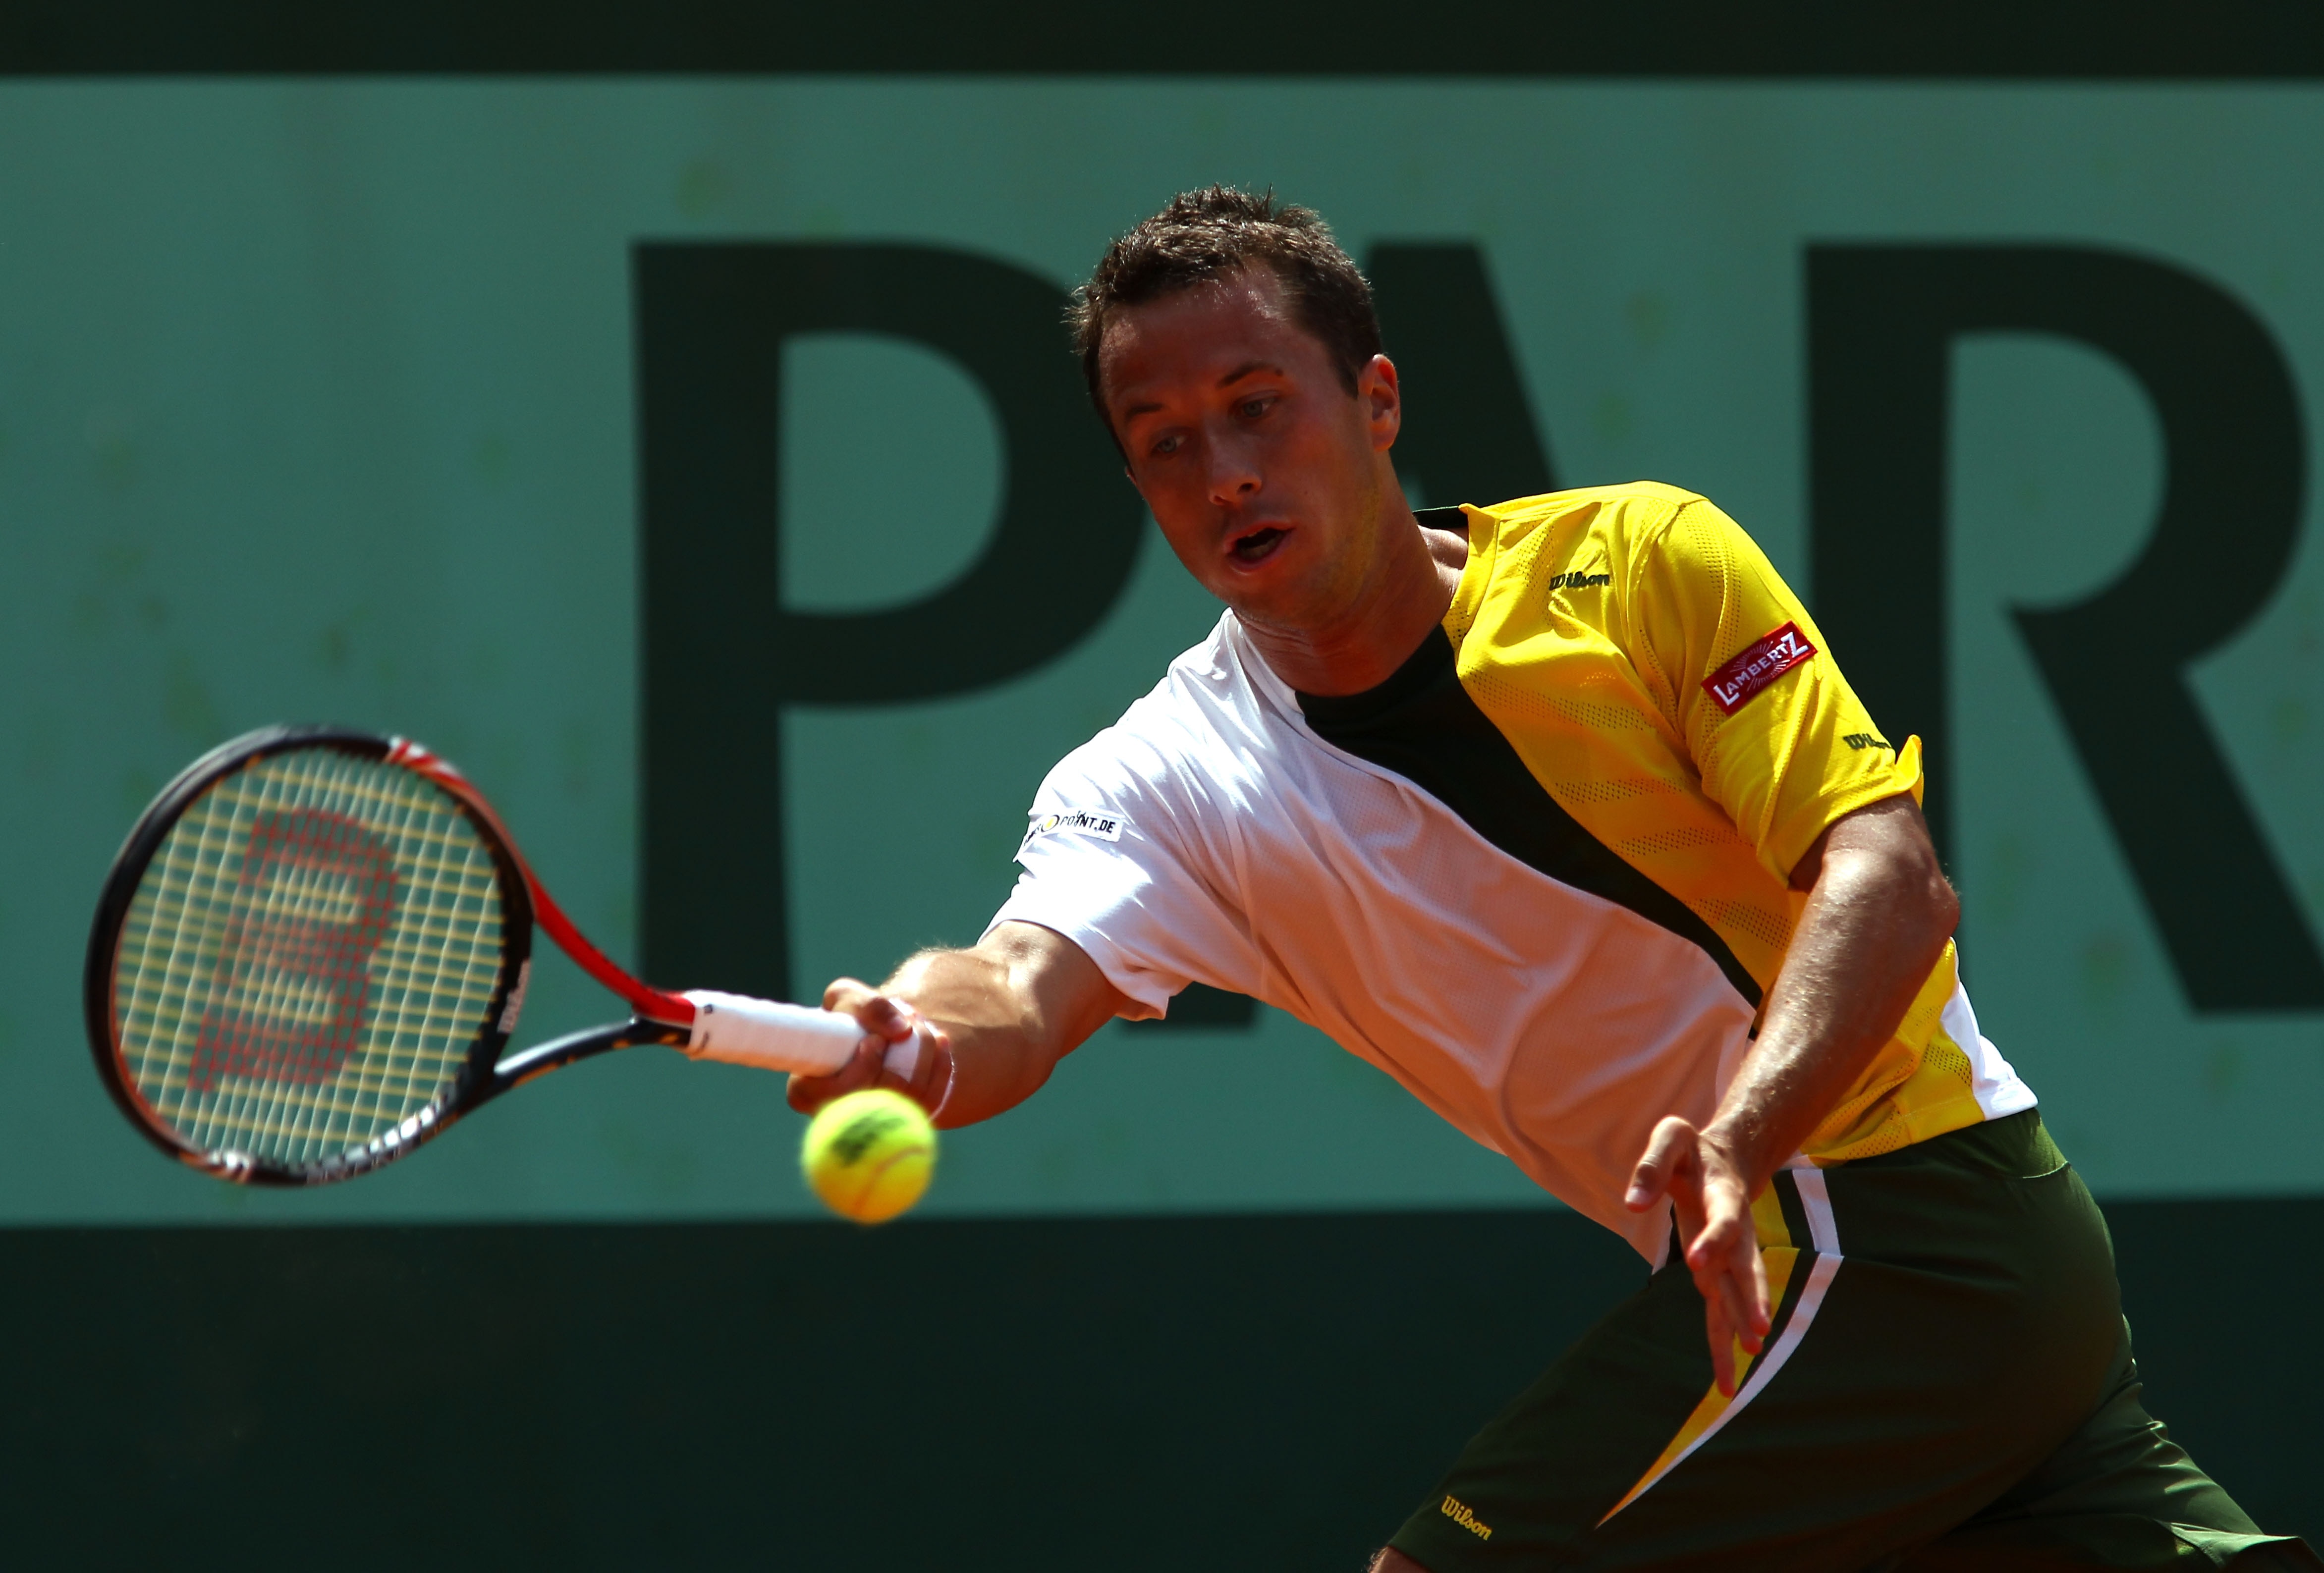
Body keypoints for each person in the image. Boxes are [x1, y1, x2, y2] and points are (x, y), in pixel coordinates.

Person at [785, 186, 2315, 1571]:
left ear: (1374, 401)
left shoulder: (1642, 566)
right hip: (1900, 1298)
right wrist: (912, 1035)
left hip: (1887, 1225)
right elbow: (1011, 986)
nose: (1222, 472)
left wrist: (1738, 1136)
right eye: (1164, 441)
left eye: (1259, 407)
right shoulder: (1165, 783)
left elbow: (1889, 878)